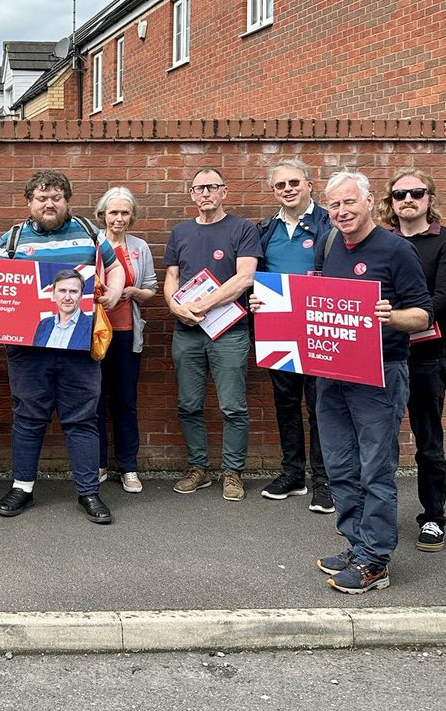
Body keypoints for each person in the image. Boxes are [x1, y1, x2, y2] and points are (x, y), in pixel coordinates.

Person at [309, 171, 431, 594]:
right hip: (333, 372)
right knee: (340, 465)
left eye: (349, 203)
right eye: (334, 205)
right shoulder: (329, 245)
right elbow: (319, 300)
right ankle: (357, 544)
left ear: (368, 203)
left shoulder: (397, 249)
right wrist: (272, 306)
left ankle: (376, 560)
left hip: (380, 375)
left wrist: (390, 316)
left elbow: (423, 314)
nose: (341, 212)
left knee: (375, 469)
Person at [0, 169, 124, 526]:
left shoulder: (89, 231)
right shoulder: (12, 239)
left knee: (81, 418)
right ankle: (22, 486)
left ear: (67, 201)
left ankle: (88, 492)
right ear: (29, 203)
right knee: (28, 416)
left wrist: (113, 291)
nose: (49, 204)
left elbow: (115, 269)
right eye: (41, 198)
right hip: (28, 347)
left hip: (79, 345)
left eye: (56, 198)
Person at [163, 168, 261, 501]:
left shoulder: (243, 229)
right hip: (188, 331)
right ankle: (199, 468)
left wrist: (202, 303)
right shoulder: (180, 232)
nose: (205, 193)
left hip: (229, 332)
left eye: (211, 187)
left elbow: (244, 278)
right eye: (198, 188)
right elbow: (172, 279)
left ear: (224, 191)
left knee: (233, 406)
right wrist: (176, 308)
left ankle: (232, 472)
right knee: (188, 404)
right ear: (191, 194)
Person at [255, 159, 334, 513]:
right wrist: (253, 297)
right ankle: (292, 474)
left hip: (319, 326)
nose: (287, 189)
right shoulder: (266, 229)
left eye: (293, 183)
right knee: (285, 402)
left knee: (322, 405)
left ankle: (324, 480)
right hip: (280, 329)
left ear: (309, 185)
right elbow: (255, 273)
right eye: (280, 185)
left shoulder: (329, 224)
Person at [379, 168, 446, 553]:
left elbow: (442, 297)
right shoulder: (383, 243)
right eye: (400, 195)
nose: (408, 200)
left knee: (428, 439)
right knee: (376, 439)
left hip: (427, 356)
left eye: (417, 194)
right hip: (384, 354)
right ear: (390, 201)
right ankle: (372, 516)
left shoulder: (442, 242)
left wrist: (410, 320)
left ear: (429, 198)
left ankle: (434, 516)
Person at [93, 186, 158, 494]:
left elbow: (151, 289)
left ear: (132, 216)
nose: (118, 218)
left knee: (124, 401)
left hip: (125, 333)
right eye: (113, 212)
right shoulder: (92, 242)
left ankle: (128, 467)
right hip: (91, 333)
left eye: (124, 212)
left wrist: (132, 293)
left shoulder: (139, 247)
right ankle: (98, 463)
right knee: (92, 400)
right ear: (102, 214)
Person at [33, 269, 95, 350]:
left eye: (73, 291)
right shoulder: (43, 325)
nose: (67, 298)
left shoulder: (93, 326)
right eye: (62, 291)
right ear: (53, 294)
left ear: (81, 295)